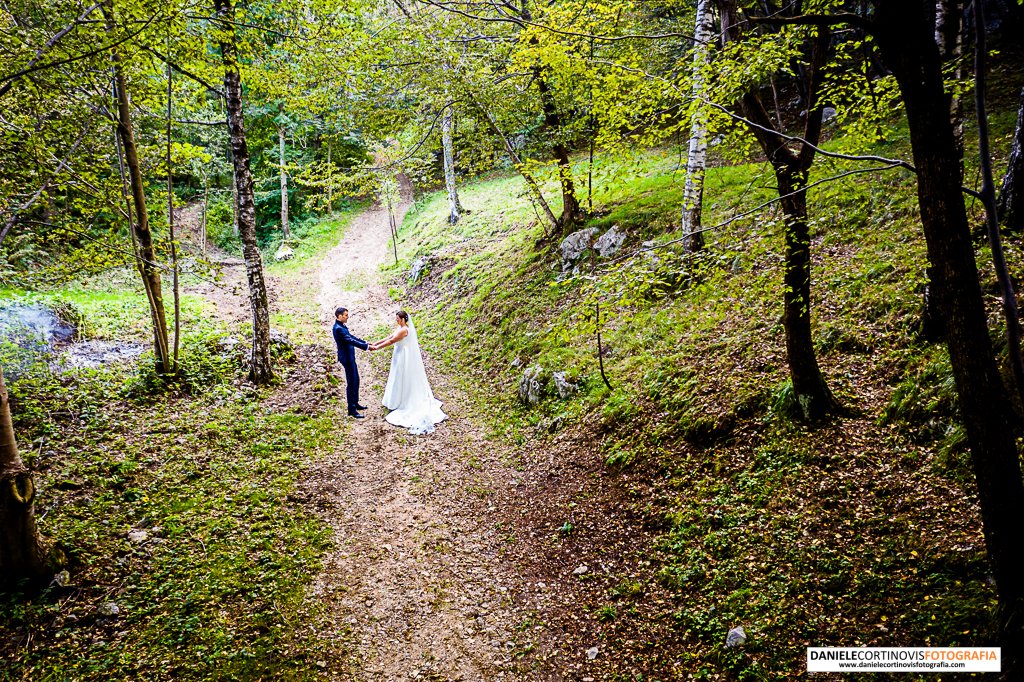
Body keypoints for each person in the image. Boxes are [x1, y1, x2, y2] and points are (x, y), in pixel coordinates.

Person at [370, 310, 446, 434]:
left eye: (398, 319)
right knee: (396, 376)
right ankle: (394, 400)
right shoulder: (400, 328)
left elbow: (391, 341)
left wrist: (376, 348)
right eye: (396, 319)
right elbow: (389, 337)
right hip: (399, 354)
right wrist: (375, 343)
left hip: (403, 357)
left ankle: (401, 400)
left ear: (404, 319)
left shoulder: (404, 330)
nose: (397, 321)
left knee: (401, 377)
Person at [332, 306, 371, 418]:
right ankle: (351, 409)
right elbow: (350, 340)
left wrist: (365, 343)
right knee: (351, 382)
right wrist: (366, 347)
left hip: (350, 357)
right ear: (339, 316)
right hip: (346, 358)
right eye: (345, 315)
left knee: (356, 380)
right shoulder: (338, 329)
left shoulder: (341, 326)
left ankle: (355, 403)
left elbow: (352, 337)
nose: (347, 317)